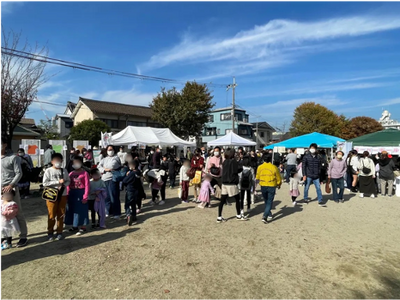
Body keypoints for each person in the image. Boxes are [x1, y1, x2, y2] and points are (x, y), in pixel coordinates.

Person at [1, 137, 28, 247]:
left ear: (5, 144)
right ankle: (5, 238)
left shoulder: (13, 158)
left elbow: (19, 173)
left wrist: (11, 185)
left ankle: (23, 236)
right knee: (2, 214)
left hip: (10, 189)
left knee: (17, 212)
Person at [42, 153, 70, 241]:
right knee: (51, 214)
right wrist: (58, 182)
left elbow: (68, 181)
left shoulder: (64, 170)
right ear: (52, 162)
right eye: (56, 160)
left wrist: (64, 185)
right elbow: (45, 183)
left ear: (62, 161)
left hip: (63, 194)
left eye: (59, 160)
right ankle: (50, 232)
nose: (58, 162)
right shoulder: (48, 171)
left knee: (61, 213)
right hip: (51, 195)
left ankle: (59, 231)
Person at [217, 148, 246, 223]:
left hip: (224, 182)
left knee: (222, 200)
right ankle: (238, 215)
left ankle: (219, 216)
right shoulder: (233, 162)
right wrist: (239, 161)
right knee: (237, 199)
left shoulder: (224, 162)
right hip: (231, 183)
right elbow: (239, 169)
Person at [65, 156, 90, 235]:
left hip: (81, 192)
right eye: (74, 163)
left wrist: (85, 196)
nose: (76, 164)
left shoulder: (85, 173)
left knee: (82, 210)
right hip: (72, 193)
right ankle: (74, 225)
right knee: (73, 210)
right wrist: (67, 194)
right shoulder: (71, 173)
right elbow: (68, 185)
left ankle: (83, 226)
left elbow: (87, 185)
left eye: (77, 162)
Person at [97, 145, 122, 219]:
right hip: (104, 179)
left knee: (114, 196)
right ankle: (108, 211)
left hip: (112, 179)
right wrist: (105, 169)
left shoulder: (116, 158)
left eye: (111, 149)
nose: (110, 151)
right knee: (106, 197)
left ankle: (117, 213)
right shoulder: (104, 159)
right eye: (108, 149)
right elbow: (99, 166)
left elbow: (112, 166)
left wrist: (105, 167)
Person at [256, 155, 282, 223]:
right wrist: (279, 184)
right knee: (269, 201)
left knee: (266, 200)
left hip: (263, 185)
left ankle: (269, 214)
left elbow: (257, 177)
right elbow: (278, 177)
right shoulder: (274, 167)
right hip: (271, 185)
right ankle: (265, 216)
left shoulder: (260, 167)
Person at [122, 160, 142, 225]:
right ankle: (134, 215)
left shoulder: (132, 174)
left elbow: (125, 181)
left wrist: (127, 175)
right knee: (133, 204)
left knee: (127, 204)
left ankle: (128, 215)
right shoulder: (138, 173)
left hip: (130, 190)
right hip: (136, 190)